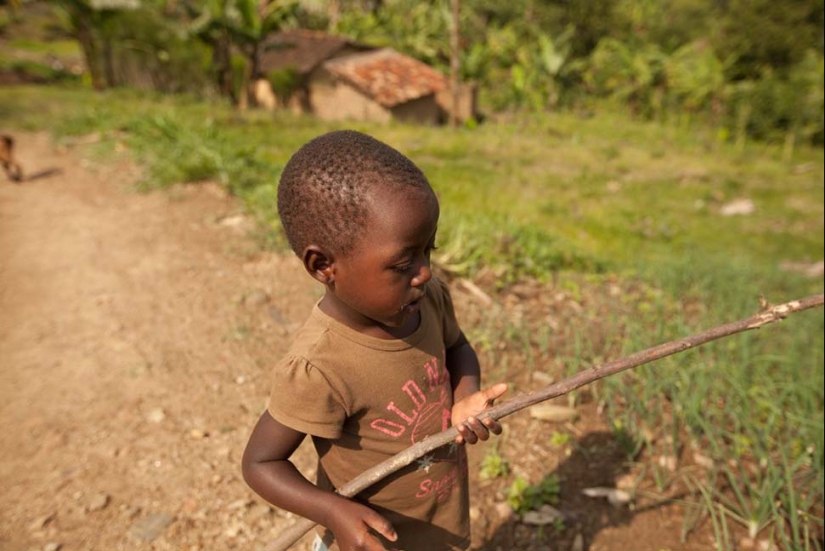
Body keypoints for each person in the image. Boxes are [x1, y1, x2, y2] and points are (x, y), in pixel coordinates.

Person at [242, 130, 508, 551]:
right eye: (404, 263)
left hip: (440, 529)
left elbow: (458, 348)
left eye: (429, 250)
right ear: (323, 265)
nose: (424, 272)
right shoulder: (322, 366)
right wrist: (332, 512)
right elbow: (261, 463)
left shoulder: (428, 301)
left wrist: (465, 396)